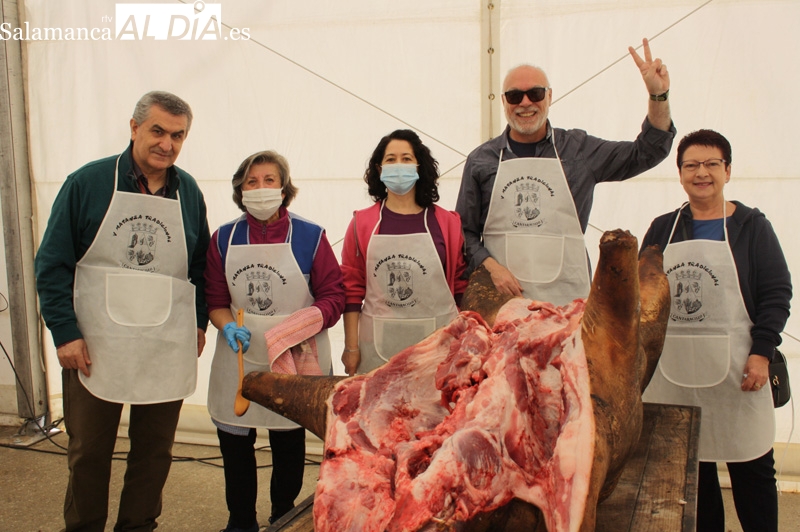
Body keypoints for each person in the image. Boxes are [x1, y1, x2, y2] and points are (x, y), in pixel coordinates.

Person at [34, 91, 209, 532]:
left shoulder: (188, 191)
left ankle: (138, 525)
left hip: (164, 341)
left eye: (177, 136)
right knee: (89, 451)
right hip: (96, 342)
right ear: (133, 128)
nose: (167, 144)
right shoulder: (87, 183)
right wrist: (64, 332)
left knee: (154, 451)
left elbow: (201, 267)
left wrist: (198, 322)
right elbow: (52, 264)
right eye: (157, 131)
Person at [641, 129, 791, 532]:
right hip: (676, 376)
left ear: (728, 170)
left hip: (738, 373)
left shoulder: (751, 226)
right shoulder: (663, 228)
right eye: (691, 165)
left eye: (711, 164)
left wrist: (761, 352)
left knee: (753, 473)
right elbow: (644, 292)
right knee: (695, 478)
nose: (701, 173)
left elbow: (777, 293)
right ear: (680, 174)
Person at [456, 38, 676, 305]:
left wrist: (658, 96)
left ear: (550, 96)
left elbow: (647, 152)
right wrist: (492, 268)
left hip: (568, 302)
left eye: (535, 93)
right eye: (514, 96)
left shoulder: (578, 149)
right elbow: (464, 234)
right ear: (503, 101)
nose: (525, 102)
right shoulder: (481, 160)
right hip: (503, 302)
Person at [204, 150, 344, 531]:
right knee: (235, 443)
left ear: (284, 188)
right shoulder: (223, 239)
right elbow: (215, 301)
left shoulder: (311, 237)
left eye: (269, 180)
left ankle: (283, 515)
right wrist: (225, 326)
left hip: (296, 356)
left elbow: (334, 295)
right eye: (251, 182)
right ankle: (241, 521)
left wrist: (300, 324)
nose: (260, 187)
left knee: (288, 444)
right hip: (241, 353)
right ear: (240, 190)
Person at [340, 129, 468, 375]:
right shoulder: (361, 224)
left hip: (440, 344)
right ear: (379, 169)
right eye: (391, 159)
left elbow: (461, 286)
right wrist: (351, 347)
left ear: (419, 166)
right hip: (376, 347)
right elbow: (352, 289)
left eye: (406, 159)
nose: (398, 165)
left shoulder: (447, 223)